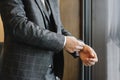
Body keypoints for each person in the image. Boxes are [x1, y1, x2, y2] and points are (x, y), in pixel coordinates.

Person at [0, 0, 98, 80]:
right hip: (23, 73)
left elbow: (57, 28)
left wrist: (79, 47)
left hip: (51, 73)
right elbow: (19, 27)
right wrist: (63, 42)